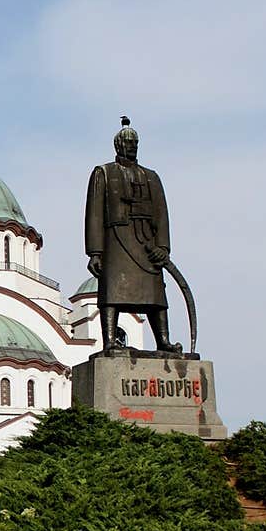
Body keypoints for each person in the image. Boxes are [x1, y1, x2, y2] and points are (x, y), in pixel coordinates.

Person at [85, 117, 182, 357]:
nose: (132, 147)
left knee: (155, 291)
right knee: (113, 291)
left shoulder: (151, 176)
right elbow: (94, 214)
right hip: (116, 240)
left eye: (135, 143)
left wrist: (163, 247)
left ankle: (164, 340)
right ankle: (109, 341)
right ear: (118, 146)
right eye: (128, 143)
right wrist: (95, 252)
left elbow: (161, 213)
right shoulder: (104, 173)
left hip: (147, 242)